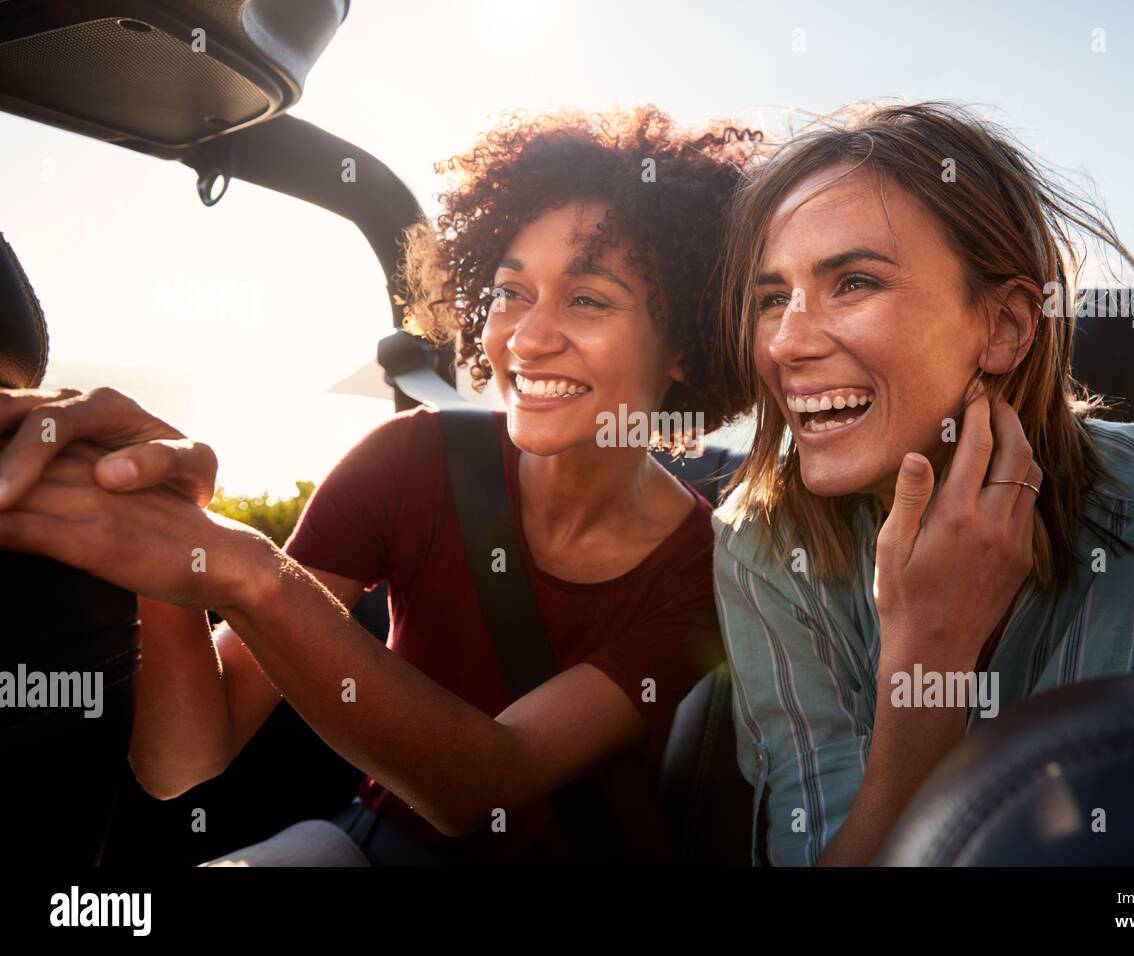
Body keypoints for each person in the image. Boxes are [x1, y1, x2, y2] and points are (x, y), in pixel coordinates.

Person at [0, 106, 759, 864]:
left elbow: (487, 785)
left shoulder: (706, 567)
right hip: (380, 844)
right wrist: (164, 552)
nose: (526, 339)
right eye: (509, 292)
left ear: (685, 347)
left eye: (588, 299)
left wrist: (253, 573)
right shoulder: (411, 458)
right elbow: (181, 765)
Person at [710, 100, 1134, 866]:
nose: (787, 342)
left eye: (853, 283)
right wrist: (931, 656)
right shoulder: (763, 549)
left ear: (1006, 328)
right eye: (770, 299)